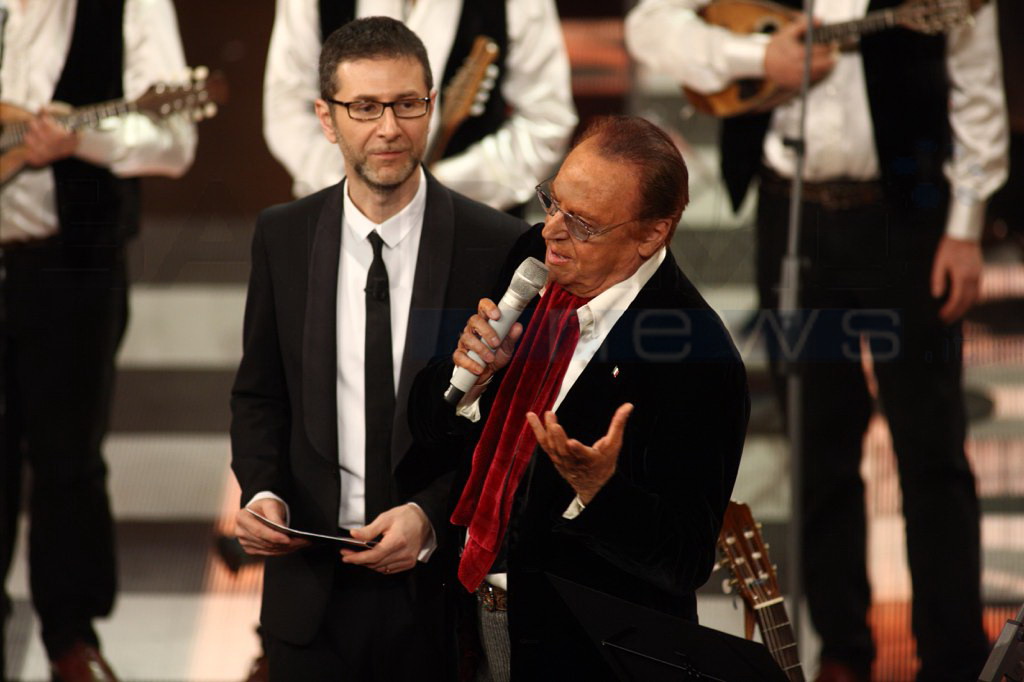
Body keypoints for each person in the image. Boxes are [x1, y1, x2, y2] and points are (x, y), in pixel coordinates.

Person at [626, 2, 1009, 681]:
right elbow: (648, 26)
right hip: (795, 215)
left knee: (931, 443)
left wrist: (965, 225)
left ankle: (952, 657)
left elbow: (978, 89)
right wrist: (757, 59)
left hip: (909, 220)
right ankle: (842, 649)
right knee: (818, 440)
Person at [230, 17, 526, 681]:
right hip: (308, 593)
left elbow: (508, 425)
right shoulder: (282, 235)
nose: (389, 128)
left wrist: (430, 516)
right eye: (364, 107)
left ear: (432, 106)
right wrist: (262, 491)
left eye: (407, 104)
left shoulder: (494, 243)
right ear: (326, 118)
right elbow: (260, 394)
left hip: (436, 602)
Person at [409, 115, 750, 680]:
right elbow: (430, 426)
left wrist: (599, 490)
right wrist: (470, 378)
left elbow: (685, 559)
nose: (552, 230)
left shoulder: (699, 357)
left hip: (581, 651)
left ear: (652, 234)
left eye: (582, 224)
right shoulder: (532, 260)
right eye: (553, 202)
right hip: (466, 618)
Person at [0, 0, 196, 680]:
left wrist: (83, 140)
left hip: (69, 264)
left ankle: (70, 640)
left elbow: (175, 140)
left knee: (68, 455)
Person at [263, 0, 577, 211]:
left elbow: (547, 120)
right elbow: (288, 110)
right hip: (341, 219)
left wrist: (439, 187)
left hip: (473, 230)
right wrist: (359, 188)